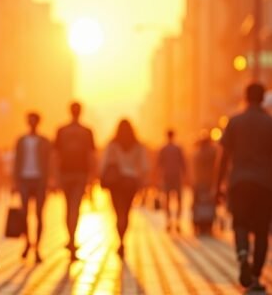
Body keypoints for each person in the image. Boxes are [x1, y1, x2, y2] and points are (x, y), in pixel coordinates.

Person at [217, 83, 272, 292]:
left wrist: (217, 185)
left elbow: (223, 157)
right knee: (262, 231)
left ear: (245, 97)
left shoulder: (234, 122)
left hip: (239, 183)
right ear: (263, 98)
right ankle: (255, 276)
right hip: (265, 184)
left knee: (240, 224)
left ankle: (242, 255)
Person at [100, 119, 148, 258]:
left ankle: (120, 239)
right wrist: (142, 182)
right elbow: (144, 166)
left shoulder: (113, 144)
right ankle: (123, 239)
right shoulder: (138, 145)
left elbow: (105, 163)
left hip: (116, 183)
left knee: (118, 211)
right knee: (126, 212)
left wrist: (102, 177)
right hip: (131, 182)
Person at [54, 101, 96, 260]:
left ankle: (70, 239)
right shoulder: (87, 131)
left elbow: (55, 156)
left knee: (68, 206)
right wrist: (92, 178)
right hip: (80, 174)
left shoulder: (61, 130)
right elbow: (91, 156)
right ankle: (72, 239)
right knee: (75, 207)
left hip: (66, 173)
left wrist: (55, 177)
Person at [13, 112, 51, 263]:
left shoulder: (45, 141)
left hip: (40, 180)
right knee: (24, 215)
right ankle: (27, 243)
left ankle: (38, 248)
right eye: (30, 121)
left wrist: (51, 180)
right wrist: (14, 182)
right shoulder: (21, 141)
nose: (32, 123)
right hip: (24, 180)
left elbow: (50, 161)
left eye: (35, 121)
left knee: (39, 215)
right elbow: (16, 161)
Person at [157, 129, 187, 232]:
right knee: (178, 200)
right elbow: (183, 164)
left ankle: (169, 221)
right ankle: (177, 221)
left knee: (168, 200)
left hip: (167, 176)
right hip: (176, 176)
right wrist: (186, 176)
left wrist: (157, 178)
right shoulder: (178, 148)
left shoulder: (163, 149)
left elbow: (159, 164)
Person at [192, 132, 218, 235]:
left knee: (199, 204)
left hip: (199, 182)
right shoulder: (214, 153)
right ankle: (208, 224)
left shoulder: (197, 153)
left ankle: (199, 223)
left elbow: (194, 169)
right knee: (210, 203)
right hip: (210, 182)